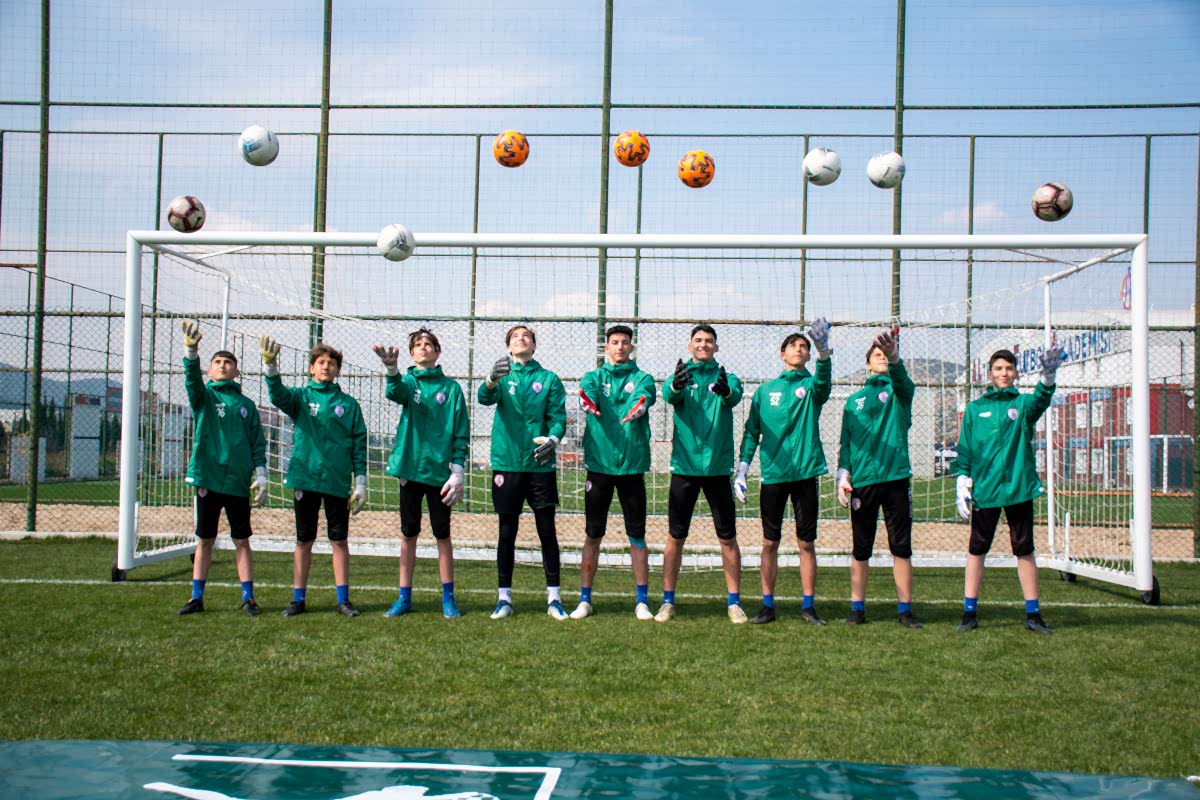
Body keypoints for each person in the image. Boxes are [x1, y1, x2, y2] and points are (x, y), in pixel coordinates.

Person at [955, 344, 1065, 634]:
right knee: (977, 549)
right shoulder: (975, 409)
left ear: (1016, 373)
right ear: (990, 373)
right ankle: (969, 612)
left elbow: (1041, 399)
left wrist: (1048, 377)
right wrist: (962, 479)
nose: (1004, 373)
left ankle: (1033, 614)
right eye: (998, 368)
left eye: (1009, 368)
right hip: (986, 490)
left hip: (1018, 488)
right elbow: (965, 448)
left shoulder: (1023, 405)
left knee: (1024, 549)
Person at [735, 318, 832, 625]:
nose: (799, 349)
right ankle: (767, 605)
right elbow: (752, 431)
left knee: (806, 543)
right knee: (769, 543)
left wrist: (823, 352)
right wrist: (742, 469)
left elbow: (824, 383)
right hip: (773, 476)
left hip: (805, 474)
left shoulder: (812, 387)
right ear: (782, 354)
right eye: (793, 345)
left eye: (804, 346)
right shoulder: (765, 391)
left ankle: (808, 606)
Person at [261, 338, 367, 618]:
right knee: (304, 540)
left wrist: (360, 481)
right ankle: (298, 599)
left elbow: (359, 444)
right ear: (311, 368)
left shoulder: (349, 405)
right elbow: (278, 396)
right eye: (321, 362)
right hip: (305, 478)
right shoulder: (301, 397)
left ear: (338, 370)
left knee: (339, 540)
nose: (326, 367)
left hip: (336, 480)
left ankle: (343, 600)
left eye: (331, 363)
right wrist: (271, 368)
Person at [374, 328, 469, 619]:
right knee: (409, 534)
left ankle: (448, 598)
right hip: (410, 470)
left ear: (438, 352)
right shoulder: (408, 382)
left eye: (429, 344)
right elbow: (394, 393)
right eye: (418, 344)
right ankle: (404, 597)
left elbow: (461, 432)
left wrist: (457, 469)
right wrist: (391, 369)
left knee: (443, 535)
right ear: (412, 353)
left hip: (440, 474)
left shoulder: (451, 389)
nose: (423, 347)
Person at [176, 321, 268, 617]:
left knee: (242, 540)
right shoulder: (204, 398)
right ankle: (196, 597)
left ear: (236, 371)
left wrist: (261, 474)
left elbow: (257, 443)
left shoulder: (247, 405)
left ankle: (248, 597)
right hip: (209, 479)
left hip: (238, 482)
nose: (223, 365)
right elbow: (192, 381)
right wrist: (191, 353)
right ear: (209, 370)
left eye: (228, 362)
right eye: (217, 362)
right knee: (205, 539)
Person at [477, 325, 568, 620]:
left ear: (534, 346)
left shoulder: (549, 379)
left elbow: (558, 417)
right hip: (507, 463)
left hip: (539, 464)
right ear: (508, 346)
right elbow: (483, 398)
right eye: (515, 336)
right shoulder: (502, 377)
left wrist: (553, 439)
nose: (521, 339)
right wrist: (491, 379)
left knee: (547, 531)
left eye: (526, 336)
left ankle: (554, 598)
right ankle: (504, 598)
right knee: (507, 532)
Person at [656, 324, 745, 623]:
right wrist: (675, 386)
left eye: (709, 340)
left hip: (718, 469)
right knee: (675, 537)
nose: (703, 344)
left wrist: (726, 391)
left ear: (716, 347)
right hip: (685, 468)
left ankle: (734, 603)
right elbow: (668, 395)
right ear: (690, 345)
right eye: (698, 340)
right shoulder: (680, 376)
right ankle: (668, 601)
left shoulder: (727, 377)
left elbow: (734, 397)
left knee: (727, 538)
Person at [836, 328, 922, 628]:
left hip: (896, 478)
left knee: (901, 547)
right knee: (861, 548)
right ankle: (857, 609)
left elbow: (904, 382)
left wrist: (895, 357)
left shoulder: (899, 393)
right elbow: (846, 442)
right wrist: (843, 473)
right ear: (868, 364)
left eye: (885, 354)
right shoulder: (853, 402)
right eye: (877, 355)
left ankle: (905, 610)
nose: (882, 357)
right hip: (864, 482)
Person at [572, 324, 658, 620]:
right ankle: (585, 599)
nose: (620, 346)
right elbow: (587, 393)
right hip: (600, 466)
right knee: (593, 535)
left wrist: (640, 408)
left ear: (631, 347)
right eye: (615, 342)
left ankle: (642, 601)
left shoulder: (643, 378)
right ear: (606, 347)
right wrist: (587, 403)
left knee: (637, 536)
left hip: (632, 466)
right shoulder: (594, 376)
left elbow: (645, 396)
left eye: (625, 342)